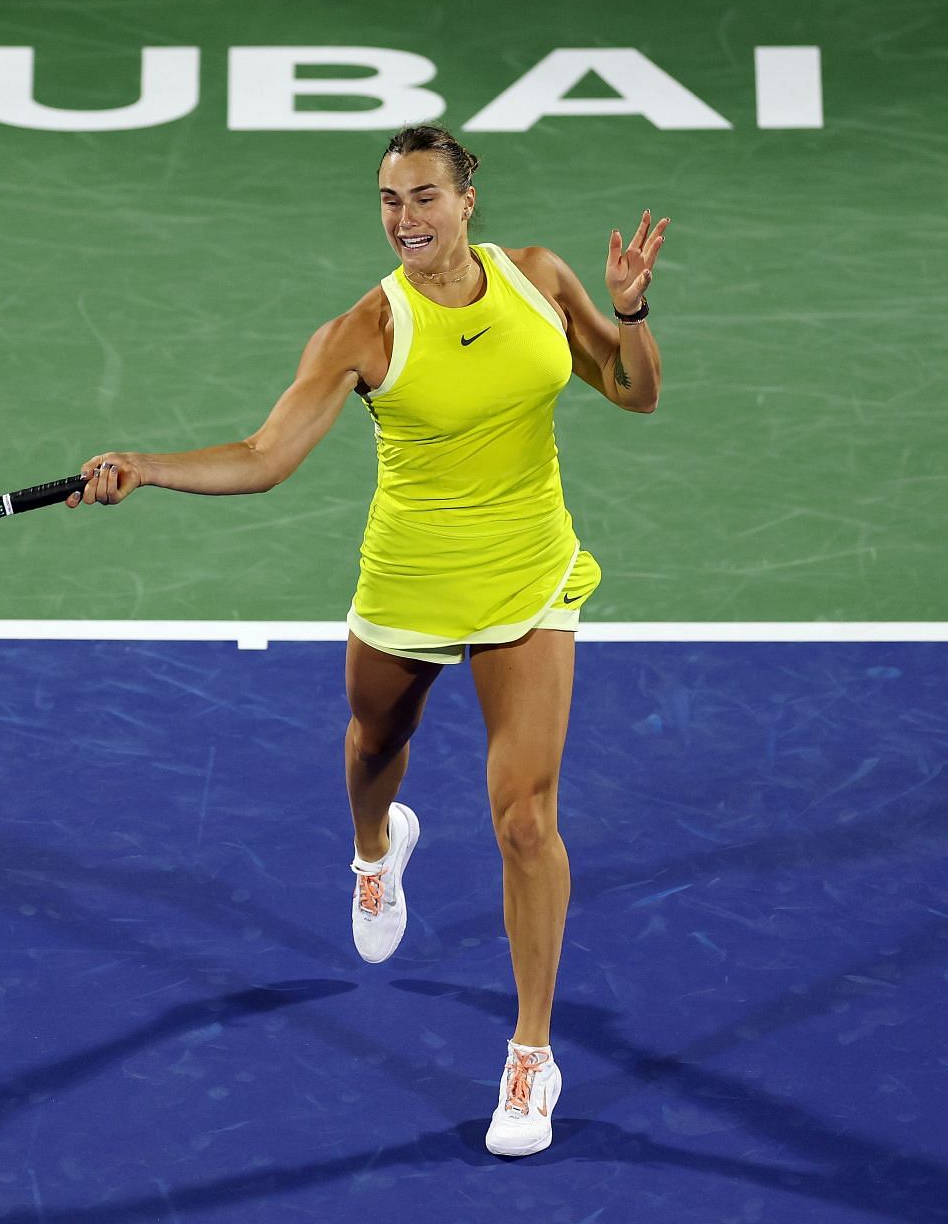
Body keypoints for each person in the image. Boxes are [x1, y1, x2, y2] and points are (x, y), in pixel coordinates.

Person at [65, 124, 665, 1156]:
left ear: (468, 200)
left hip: (531, 575)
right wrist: (149, 464)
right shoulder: (364, 331)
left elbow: (635, 389)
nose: (406, 220)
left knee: (525, 818)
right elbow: (263, 457)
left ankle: (530, 1053)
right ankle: (376, 849)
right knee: (374, 744)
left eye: (425, 197)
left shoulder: (538, 280)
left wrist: (629, 309)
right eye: (390, 201)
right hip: (410, 584)